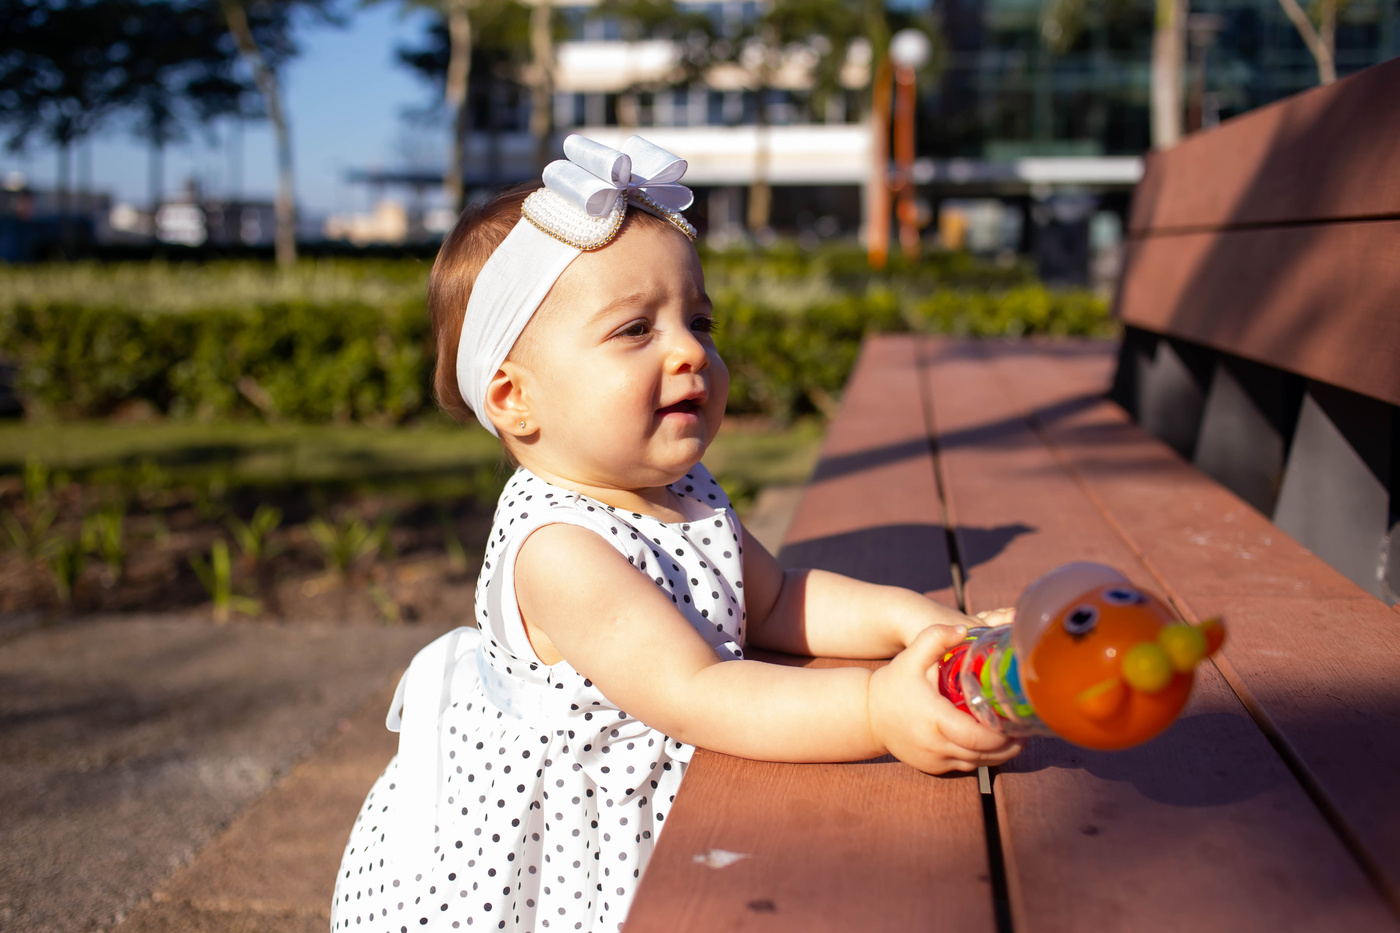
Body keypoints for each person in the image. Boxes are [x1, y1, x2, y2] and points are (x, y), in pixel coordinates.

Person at [330, 136, 1022, 933]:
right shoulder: (560, 549)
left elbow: (778, 600)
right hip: (591, 831)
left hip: (683, 756)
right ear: (516, 399)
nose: (691, 349)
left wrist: (919, 623)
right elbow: (700, 694)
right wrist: (877, 708)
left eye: (699, 320)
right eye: (635, 330)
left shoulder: (682, 491)